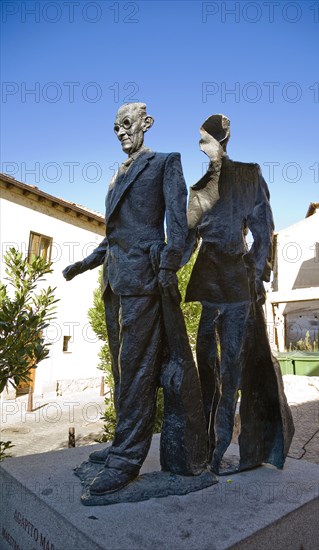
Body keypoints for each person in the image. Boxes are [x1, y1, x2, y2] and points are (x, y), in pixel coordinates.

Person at [63, 102, 189, 495]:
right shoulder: (117, 176)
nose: (120, 132)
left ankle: (128, 458)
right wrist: (84, 263)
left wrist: (168, 266)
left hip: (146, 279)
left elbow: (179, 224)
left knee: (136, 370)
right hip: (115, 280)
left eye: (127, 124)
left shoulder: (166, 162)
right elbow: (114, 236)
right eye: (115, 127)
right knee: (122, 371)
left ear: (146, 124)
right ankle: (122, 442)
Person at [184, 114, 294, 474]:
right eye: (200, 141)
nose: (202, 147)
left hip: (236, 283)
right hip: (207, 283)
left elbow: (265, 229)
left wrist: (255, 269)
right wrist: (164, 267)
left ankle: (221, 449)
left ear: (223, 138)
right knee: (206, 365)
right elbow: (187, 241)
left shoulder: (248, 174)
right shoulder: (198, 189)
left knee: (232, 366)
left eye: (206, 139)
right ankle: (203, 441)